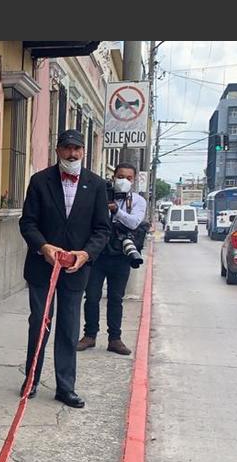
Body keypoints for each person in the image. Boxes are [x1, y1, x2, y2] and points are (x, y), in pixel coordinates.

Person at [19, 130, 112, 409]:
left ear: (84, 152)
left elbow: (102, 229)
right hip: (42, 266)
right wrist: (43, 247)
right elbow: (28, 223)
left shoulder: (95, 185)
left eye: (77, 149)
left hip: (76, 269)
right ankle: (31, 379)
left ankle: (65, 386)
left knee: (69, 328)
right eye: (67, 148)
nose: (72, 154)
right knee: (40, 322)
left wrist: (85, 254)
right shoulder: (39, 181)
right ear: (58, 150)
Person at [77, 162, 147, 356]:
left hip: (121, 256)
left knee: (116, 298)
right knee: (91, 296)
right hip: (98, 253)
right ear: (113, 176)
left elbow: (134, 223)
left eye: (129, 178)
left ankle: (114, 339)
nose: (124, 181)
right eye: (120, 176)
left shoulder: (139, 201)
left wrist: (116, 210)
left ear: (134, 181)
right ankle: (89, 335)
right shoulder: (101, 194)